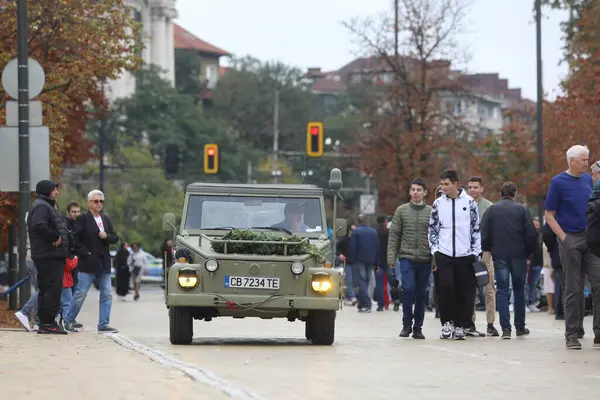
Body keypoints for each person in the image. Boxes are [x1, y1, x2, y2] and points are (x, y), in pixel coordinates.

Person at [544, 145, 600, 350]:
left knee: (598, 284)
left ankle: (599, 333)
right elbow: (549, 215)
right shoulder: (558, 182)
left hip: (591, 240)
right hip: (570, 239)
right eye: (584, 160)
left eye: (587, 160)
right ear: (572, 161)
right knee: (573, 289)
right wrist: (564, 237)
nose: (587, 163)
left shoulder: (588, 180)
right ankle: (572, 334)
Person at [428, 170, 481, 340]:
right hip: (444, 254)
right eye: (442, 184)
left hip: (465, 255)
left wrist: (475, 252)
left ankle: (460, 325)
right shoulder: (438, 204)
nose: (443, 188)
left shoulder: (470, 203)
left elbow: (475, 229)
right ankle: (447, 323)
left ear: (456, 184)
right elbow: (433, 229)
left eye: (446, 184)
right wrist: (435, 250)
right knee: (445, 289)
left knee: (463, 292)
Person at [480, 182, 536, 339]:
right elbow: (531, 233)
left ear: (500, 194)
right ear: (515, 194)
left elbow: (484, 233)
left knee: (503, 291)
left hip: (499, 255)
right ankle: (520, 327)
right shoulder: (522, 210)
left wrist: (489, 249)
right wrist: (529, 253)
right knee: (519, 291)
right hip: (518, 255)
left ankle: (505, 328)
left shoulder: (492, 210)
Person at [64, 189, 119, 333]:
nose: (99, 204)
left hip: (104, 263)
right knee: (80, 294)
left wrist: (106, 235)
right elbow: (74, 239)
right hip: (87, 263)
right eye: (96, 201)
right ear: (89, 203)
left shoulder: (106, 218)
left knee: (107, 294)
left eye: (101, 201)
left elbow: (114, 238)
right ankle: (68, 320)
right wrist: (85, 253)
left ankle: (103, 324)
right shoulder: (83, 218)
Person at [387, 178, 432, 339]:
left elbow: (435, 237)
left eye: (419, 190)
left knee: (421, 293)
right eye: (413, 189)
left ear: (425, 192)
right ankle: (406, 324)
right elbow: (394, 236)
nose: (415, 192)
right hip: (406, 257)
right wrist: (391, 258)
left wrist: (434, 259)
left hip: (425, 258)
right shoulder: (401, 210)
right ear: (409, 192)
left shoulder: (431, 211)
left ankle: (418, 327)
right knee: (408, 288)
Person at [27, 180, 70, 334]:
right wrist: (55, 237)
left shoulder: (45, 205)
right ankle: (48, 323)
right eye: (54, 190)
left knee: (48, 289)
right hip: (48, 255)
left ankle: (45, 324)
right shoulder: (42, 207)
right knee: (51, 289)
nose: (57, 192)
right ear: (47, 191)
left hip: (50, 255)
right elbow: (39, 226)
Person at [466, 176, 497, 337]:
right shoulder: (461, 205)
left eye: (475, 187)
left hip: (485, 252)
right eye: (470, 187)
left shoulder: (489, 207)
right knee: (469, 289)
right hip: (466, 251)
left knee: (489, 288)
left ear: (482, 188)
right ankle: (470, 322)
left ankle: (490, 323)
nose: (472, 190)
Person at [349, 215, 380, 312]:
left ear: (358, 221)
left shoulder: (355, 232)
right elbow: (377, 247)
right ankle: (362, 304)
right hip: (370, 260)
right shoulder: (373, 232)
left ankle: (366, 304)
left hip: (359, 259)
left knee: (361, 282)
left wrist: (352, 260)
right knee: (366, 281)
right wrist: (376, 261)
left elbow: (353, 247)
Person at [374, 215, 390, 311]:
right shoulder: (389, 232)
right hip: (389, 260)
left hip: (378, 262)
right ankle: (396, 299)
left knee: (379, 284)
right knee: (392, 281)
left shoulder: (375, 232)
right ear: (385, 222)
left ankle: (380, 305)